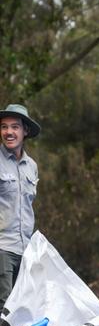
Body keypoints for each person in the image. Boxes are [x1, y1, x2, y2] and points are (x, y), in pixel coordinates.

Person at [0, 104, 41, 309]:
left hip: (25, 251)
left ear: (25, 131)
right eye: (4, 127)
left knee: (20, 308)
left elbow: (27, 208)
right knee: (4, 307)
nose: (9, 132)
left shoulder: (31, 166)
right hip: (2, 249)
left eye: (15, 127)